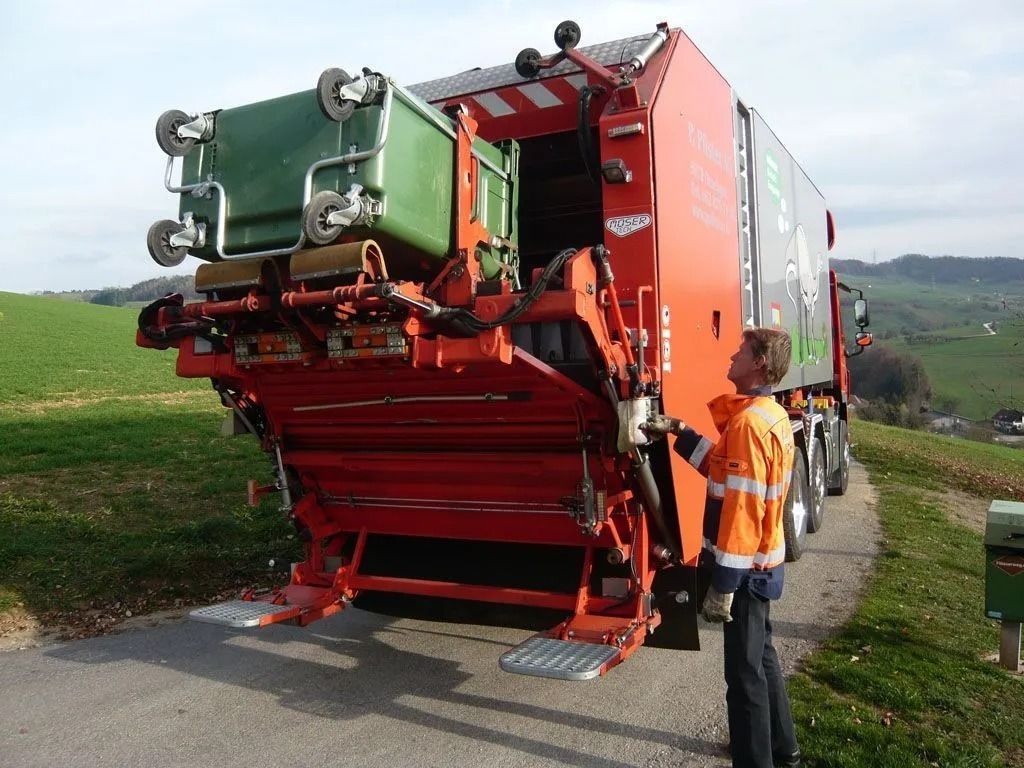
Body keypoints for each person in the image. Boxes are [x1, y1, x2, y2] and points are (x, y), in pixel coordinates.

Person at [645, 328, 801, 768]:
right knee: (762, 658)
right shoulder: (768, 415)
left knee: (744, 676)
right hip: (762, 565)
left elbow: (741, 512)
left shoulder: (749, 425)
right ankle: (784, 749)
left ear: (759, 364)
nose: (732, 357)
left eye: (741, 352)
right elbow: (720, 468)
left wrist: (724, 585)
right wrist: (679, 431)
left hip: (745, 572)